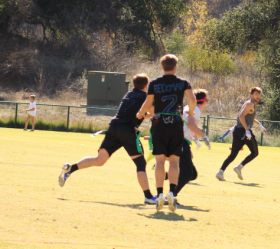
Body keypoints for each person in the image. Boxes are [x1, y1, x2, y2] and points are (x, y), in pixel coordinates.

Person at [58, 74, 156, 204]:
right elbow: (152, 113)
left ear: (133, 85)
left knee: (100, 159)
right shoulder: (146, 97)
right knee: (140, 163)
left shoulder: (128, 94)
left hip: (114, 127)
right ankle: (148, 196)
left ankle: (71, 168)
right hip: (127, 130)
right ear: (146, 85)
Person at [136, 54, 196, 212]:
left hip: (159, 123)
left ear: (162, 67)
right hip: (175, 123)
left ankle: (160, 193)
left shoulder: (154, 83)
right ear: (175, 67)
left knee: (160, 161)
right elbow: (193, 100)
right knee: (175, 162)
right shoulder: (183, 83)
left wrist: (140, 113)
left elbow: (148, 103)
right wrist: (189, 112)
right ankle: (172, 192)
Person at [216, 87, 266, 181]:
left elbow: (246, 116)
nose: (258, 96)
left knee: (232, 155)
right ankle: (239, 167)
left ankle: (220, 172)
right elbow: (241, 116)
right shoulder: (250, 103)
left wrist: (258, 123)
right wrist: (247, 130)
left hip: (238, 130)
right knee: (254, 153)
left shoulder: (248, 103)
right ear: (251, 95)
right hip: (243, 131)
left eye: (259, 94)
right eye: (256, 94)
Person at [172, 89, 211, 206]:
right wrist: (203, 136)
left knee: (192, 174)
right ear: (204, 101)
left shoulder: (188, 107)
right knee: (188, 173)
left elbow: (190, 126)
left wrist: (196, 140)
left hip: (179, 141)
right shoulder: (196, 110)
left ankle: (168, 177)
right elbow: (190, 123)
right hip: (180, 141)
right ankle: (171, 195)